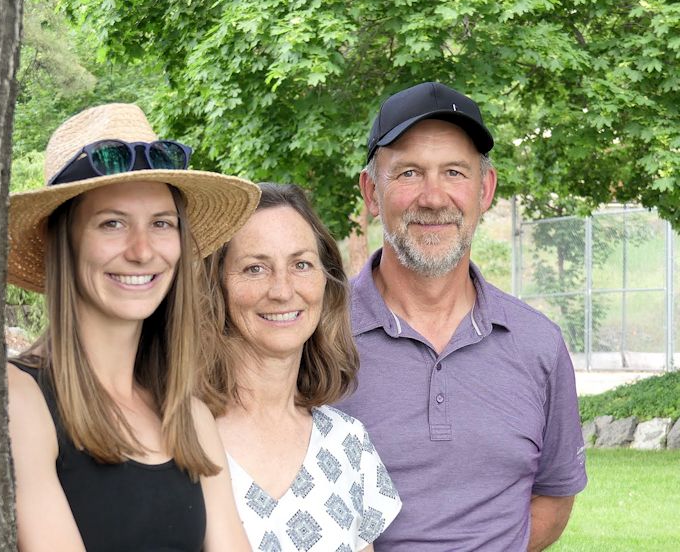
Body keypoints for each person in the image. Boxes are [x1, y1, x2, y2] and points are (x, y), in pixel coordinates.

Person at [336, 82, 588, 551]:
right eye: (409, 173)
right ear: (372, 192)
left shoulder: (537, 344)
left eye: (454, 172)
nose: (433, 198)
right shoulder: (315, 336)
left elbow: (553, 497)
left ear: (485, 189)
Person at [5, 103, 259, 551]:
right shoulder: (21, 398)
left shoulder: (189, 417)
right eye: (112, 223)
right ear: (62, 241)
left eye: (161, 223)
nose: (142, 251)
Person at [202, 183, 402, 551]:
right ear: (217, 285)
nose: (282, 289)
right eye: (255, 268)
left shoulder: (348, 444)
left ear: (325, 282)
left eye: (301, 265)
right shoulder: (178, 435)